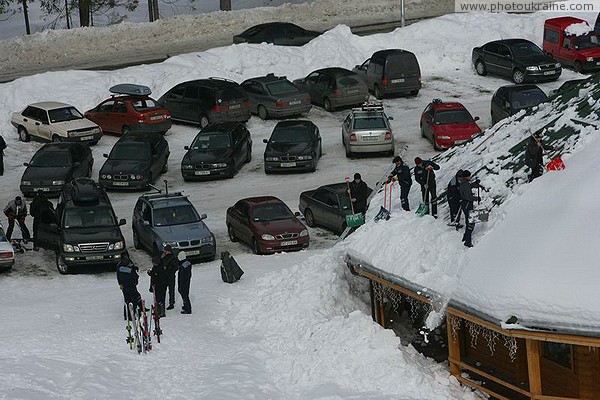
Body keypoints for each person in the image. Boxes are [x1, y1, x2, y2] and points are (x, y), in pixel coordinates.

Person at [117, 253, 143, 320]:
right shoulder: (131, 270)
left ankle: (126, 315)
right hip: (131, 286)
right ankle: (131, 315)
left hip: (124, 286)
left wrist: (120, 284)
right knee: (134, 300)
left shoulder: (119, 266)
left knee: (127, 300)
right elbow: (135, 276)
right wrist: (135, 282)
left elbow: (118, 277)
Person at [458, 170, 481, 248]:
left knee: (468, 221)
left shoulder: (464, 183)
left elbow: (470, 186)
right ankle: (468, 241)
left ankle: (465, 237)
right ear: (467, 176)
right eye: (470, 176)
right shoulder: (465, 184)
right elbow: (468, 197)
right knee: (471, 222)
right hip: (467, 204)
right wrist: (476, 198)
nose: (471, 177)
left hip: (465, 204)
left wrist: (476, 184)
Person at [162, 245, 179, 310]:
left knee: (171, 290)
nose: (164, 252)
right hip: (164, 276)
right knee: (164, 289)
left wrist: (168, 269)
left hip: (170, 276)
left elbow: (176, 267)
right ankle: (163, 302)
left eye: (165, 251)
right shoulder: (163, 256)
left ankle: (171, 303)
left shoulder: (173, 258)